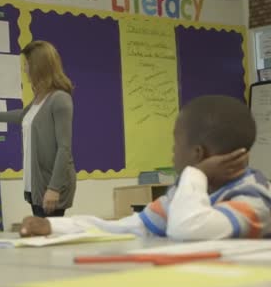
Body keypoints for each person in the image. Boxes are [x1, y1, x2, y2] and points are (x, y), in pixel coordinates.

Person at [20, 95, 271, 240]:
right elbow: (128, 226)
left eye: (176, 144)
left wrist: (196, 173)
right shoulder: (185, 194)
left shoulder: (255, 199)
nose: (172, 153)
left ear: (198, 154)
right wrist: (53, 226)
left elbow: (189, 230)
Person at [0, 40, 77, 218]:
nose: (25, 70)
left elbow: (64, 148)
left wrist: (54, 188)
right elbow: (24, 115)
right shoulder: (40, 98)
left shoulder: (60, 99)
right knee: (41, 238)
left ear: (38, 67)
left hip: (51, 186)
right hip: (36, 185)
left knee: (48, 240)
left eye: (27, 65)